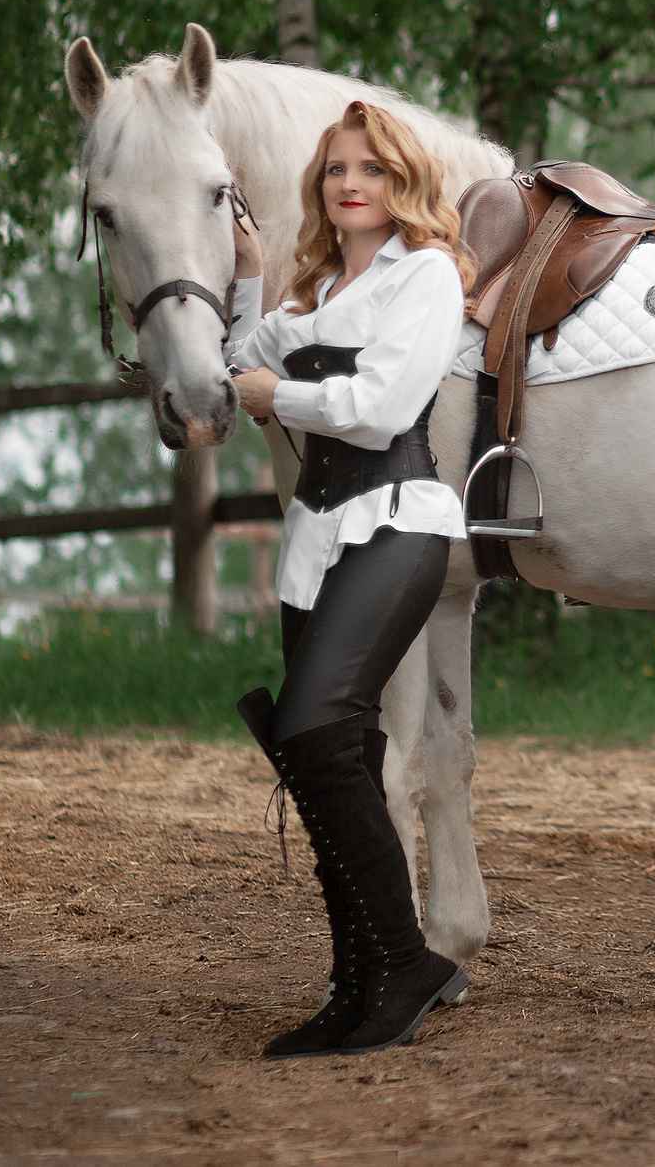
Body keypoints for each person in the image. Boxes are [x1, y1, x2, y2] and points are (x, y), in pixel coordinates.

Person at [222, 98, 473, 1059]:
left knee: (315, 727)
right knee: (338, 758)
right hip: (316, 537)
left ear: (402, 180)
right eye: (336, 170)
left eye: (371, 167)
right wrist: (249, 276)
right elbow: (236, 362)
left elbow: (377, 410)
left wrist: (271, 394)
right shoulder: (315, 293)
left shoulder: (428, 281)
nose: (352, 182)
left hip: (397, 521)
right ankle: (358, 979)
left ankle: (407, 961)